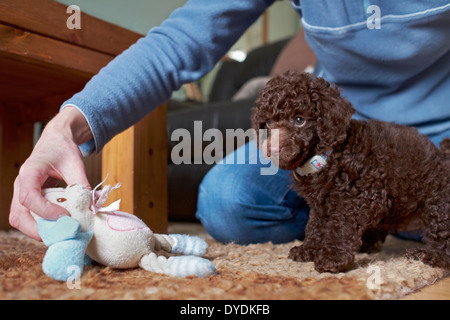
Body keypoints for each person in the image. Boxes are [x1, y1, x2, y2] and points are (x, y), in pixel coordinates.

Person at [9, 0, 450, 243]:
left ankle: (402, 209)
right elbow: (178, 43)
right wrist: (65, 126)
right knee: (227, 199)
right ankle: (384, 216)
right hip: (332, 138)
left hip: (437, 136)